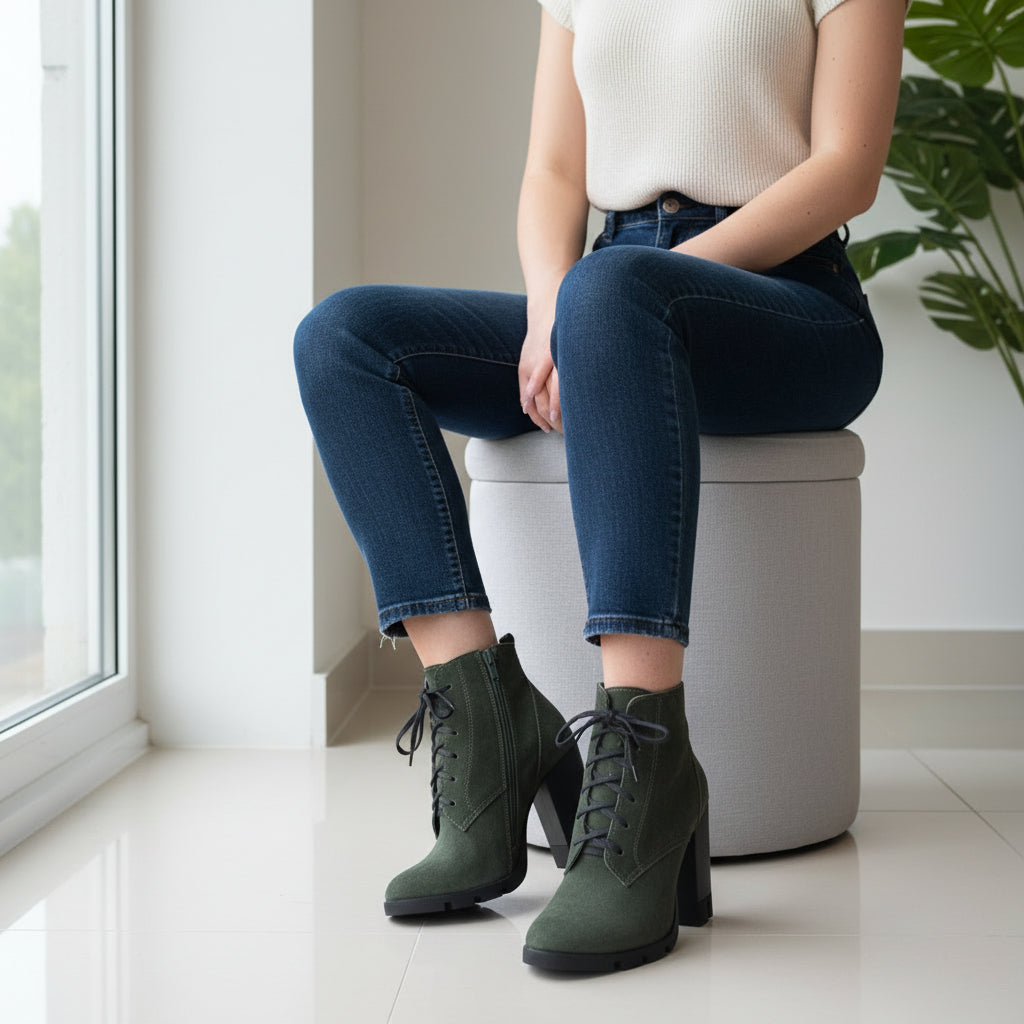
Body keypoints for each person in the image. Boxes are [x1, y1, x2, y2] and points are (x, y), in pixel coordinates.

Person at [294, 0, 907, 973]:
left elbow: (846, 168)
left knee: (616, 291)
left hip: (788, 302)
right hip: (603, 292)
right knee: (346, 338)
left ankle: (646, 752)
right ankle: (490, 719)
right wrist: (550, 311)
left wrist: (612, 293)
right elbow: (553, 172)